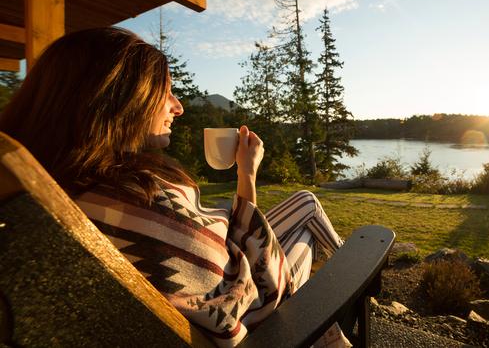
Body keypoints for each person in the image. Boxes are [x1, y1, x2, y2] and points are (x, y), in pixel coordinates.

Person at [0, 27, 348, 347]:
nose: (178, 108)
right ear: (118, 99)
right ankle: (342, 308)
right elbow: (247, 287)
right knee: (303, 235)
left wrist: (246, 174)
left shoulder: (60, 193)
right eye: (165, 93)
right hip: (264, 330)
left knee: (302, 202)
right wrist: (248, 175)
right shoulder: (141, 200)